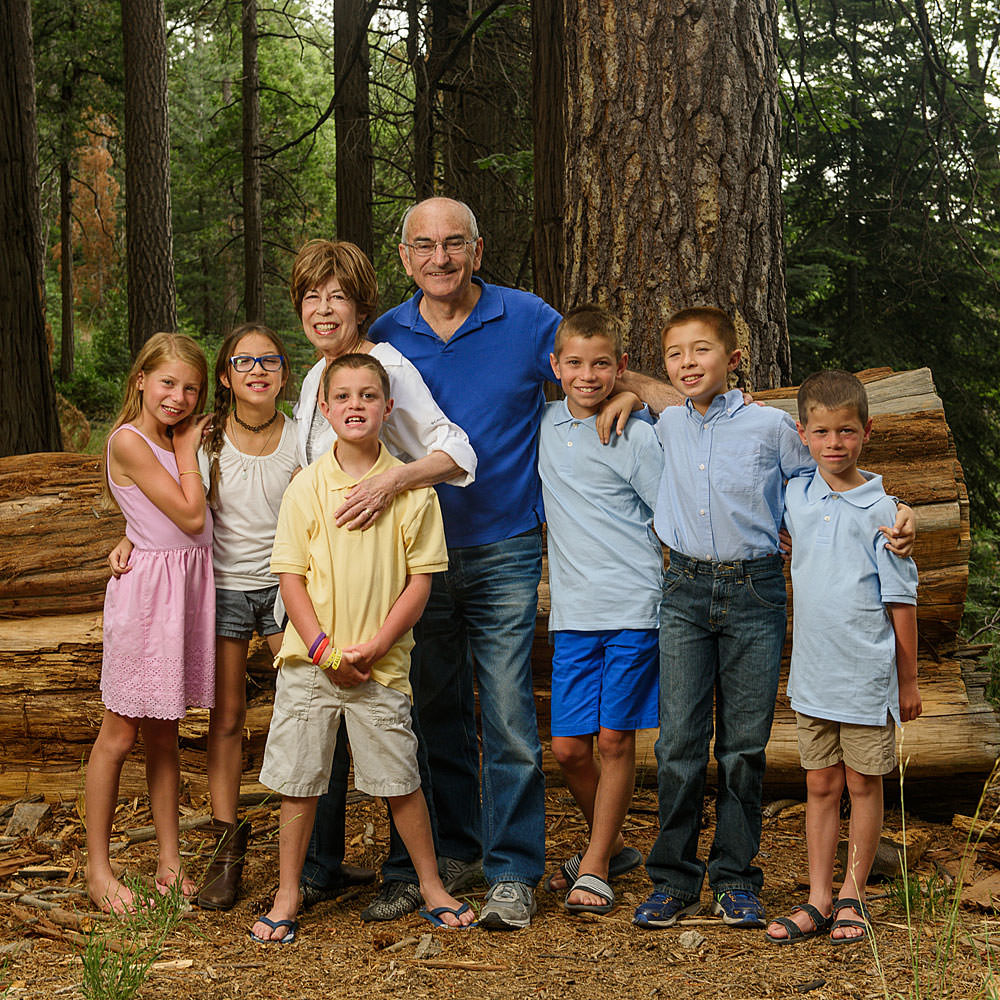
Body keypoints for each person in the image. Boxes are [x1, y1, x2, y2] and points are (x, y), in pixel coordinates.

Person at [629, 307, 916, 931]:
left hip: (754, 593)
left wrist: (902, 511)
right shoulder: (668, 420)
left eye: (700, 351)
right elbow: (640, 385)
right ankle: (674, 878)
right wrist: (617, 386)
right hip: (681, 589)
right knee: (678, 743)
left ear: (733, 360)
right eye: (675, 354)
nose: (686, 364)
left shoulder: (770, 426)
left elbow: (830, 478)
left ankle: (735, 878)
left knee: (742, 746)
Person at [363, 196, 567, 930]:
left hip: (505, 545)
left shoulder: (529, 319)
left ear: (477, 252)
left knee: (509, 713)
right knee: (432, 709)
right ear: (405, 257)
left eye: (454, 245)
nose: (440, 259)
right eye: (425, 246)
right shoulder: (385, 335)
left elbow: (589, 374)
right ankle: (453, 850)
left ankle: (515, 869)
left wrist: (639, 399)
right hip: (413, 556)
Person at [248, 354, 475, 942]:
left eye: (368, 396)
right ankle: (288, 892)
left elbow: (419, 583)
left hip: (381, 664)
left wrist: (374, 647)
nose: (355, 405)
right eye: (343, 396)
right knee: (301, 783)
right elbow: (290, 578)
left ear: (387, 407)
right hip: (309, 664)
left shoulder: (412, 493)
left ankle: (430, 884)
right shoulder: (306, 488)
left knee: (401, 778)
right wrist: (324, 649)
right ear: (324, 409)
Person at [285, 239, 477, 912]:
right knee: (323, 731)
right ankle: (319, 867)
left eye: (337, 294)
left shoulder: (386, 364)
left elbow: (454, 447)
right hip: (325, 592)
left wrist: (394, 480)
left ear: (361, 303)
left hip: (394, 584)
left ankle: (409, 874)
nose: (323, 307)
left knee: (401, 726)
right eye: (311, 295)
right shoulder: (313, 381)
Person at [109, 324, 300, 910]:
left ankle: (312, 854)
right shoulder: (203, 438)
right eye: (244, 362)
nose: (257, 371)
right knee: (226, 716)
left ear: (284, 373)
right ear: (227, 376)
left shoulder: (300, 438)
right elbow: (172, 505)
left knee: (307, 705)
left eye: (269, 360)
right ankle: (226, 852)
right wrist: (129, 536)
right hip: (217, 589)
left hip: (285, 585)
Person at [765, 370, 919, 946]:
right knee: (820, 786)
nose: (834, 443)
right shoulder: (798, 496)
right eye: (822, 432)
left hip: (865, 677)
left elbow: (901, 601)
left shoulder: (883, 512)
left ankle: (853, 894)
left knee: (863, 784)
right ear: (803, 434)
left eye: (847, 432)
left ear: (867, 432)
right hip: (812, 676)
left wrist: (908, 681)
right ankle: (818, 896)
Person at [538, 306, 662, 915]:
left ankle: (594, 867)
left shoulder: (637, 435)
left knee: (615, 739)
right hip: (574, 614)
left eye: (603, 365)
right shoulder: (545, 427)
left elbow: (673, 510)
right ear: (556, 366)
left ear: (622, 366)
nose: (589, 376)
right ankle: (610, 847)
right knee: (568, 748)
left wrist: (636, 397)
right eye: (576, 364)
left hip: (634, 606)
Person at [86, 332, 214, 915]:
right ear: (140, 379)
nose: (179, 397)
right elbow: (189, 515)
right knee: (120, 733)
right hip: (146, 603)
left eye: (190, 388)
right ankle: (97, 869)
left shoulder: (171, 440)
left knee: (166, 732)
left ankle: (170, 863)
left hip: (183, 595)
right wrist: (188, 451)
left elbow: (157, 518)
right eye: (167, 382)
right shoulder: (131, 441)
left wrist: (130, 535)